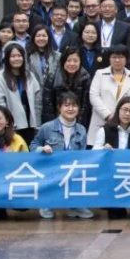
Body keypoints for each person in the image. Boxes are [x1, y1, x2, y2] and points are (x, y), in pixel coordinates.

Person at [31, 91, 93, 221]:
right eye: (66, 105)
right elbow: (33, 145)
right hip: (51, 170)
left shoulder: (81, 129)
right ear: (59, 107)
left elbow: (82, 153)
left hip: (72, 170)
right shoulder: (47, 127)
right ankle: (47, 204)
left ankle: (75, 206)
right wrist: (41, 149)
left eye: (74, 105)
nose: (70, 109)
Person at [91, 96, 130, 219]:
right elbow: (94, 152)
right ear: (118, 110)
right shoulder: (105, 130)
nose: (127, 114)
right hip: (108, 172)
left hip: (127, 173)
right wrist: (103, 149)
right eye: (125, 110)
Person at [0, 41, 42, 145]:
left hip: (30, 125)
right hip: (11, 127)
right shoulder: (0, 77)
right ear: (7, 58)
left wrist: (37, 123)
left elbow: (37, 101)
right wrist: (6, 124)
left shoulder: (29, 75)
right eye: (13, 56)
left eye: (19, 55)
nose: (17, 58)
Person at [89, 44, 130, 147]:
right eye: (114, 57)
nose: (117, 60)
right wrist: (108, 115)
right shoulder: (100, 74)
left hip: (123, 125)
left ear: (126, 59)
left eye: (121, 57)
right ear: (109, 58)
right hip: (101, 121)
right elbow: (94, 96)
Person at [42, 46, 92, 128]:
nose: (72, 64)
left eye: (75, 61)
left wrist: (78, 126)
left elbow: (85, 107)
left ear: (80, 62)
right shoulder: (52, 76)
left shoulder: (85, 78)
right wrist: (53, 126)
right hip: (55, 121)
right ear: (63, 61)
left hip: (77, 122)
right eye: (68, 60)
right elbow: (48, 106)